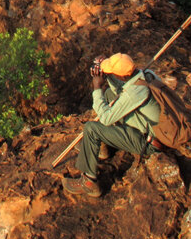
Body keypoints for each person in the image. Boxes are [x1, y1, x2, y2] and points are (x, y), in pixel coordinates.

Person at [61, 52, 162, 198]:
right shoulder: (145, 74)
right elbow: (122, 90)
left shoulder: (135, 93)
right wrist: (108, 76)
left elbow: (107, 118)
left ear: (121, 76)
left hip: (148, 143)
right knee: (109, 94)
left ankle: (89, 183)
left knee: (91, 128)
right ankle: (103, 146)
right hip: (148, 126)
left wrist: (96, 87)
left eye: (113, 73)